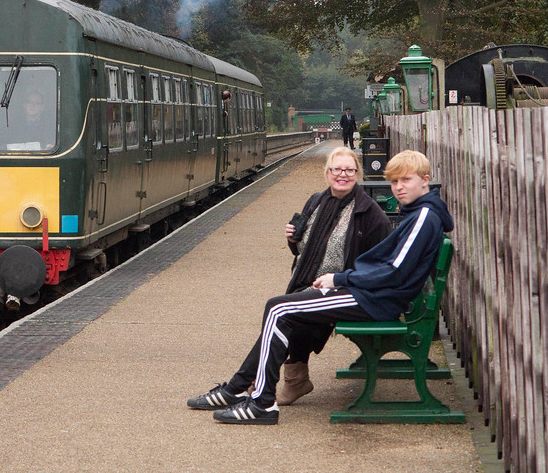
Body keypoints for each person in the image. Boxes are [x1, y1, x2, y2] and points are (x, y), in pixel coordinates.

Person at [187, 150, 453, 425]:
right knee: (280, 308)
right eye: (394, 181)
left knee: (279, 309)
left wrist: (340, 279)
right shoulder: (417, 213)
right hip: (371, 294)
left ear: (425, 181)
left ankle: (261, 403)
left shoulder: (422, 216)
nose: (398, 188)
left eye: (405, 180)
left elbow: (394, 272)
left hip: (375, 300)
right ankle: (248, 392)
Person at [274, 147, 390, 405]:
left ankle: (272, 379)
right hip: (308, 281)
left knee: (285, 311)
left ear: (357, 173)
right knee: (285, 308)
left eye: (349, 170)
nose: (342, 174)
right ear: (327, 173)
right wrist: (293, 239)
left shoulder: (371, 215)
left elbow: (377, 266)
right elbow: (302, 250)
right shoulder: (316, 201)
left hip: (343, 289)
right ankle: (288, 378)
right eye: (337, 169)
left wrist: (339, 279)